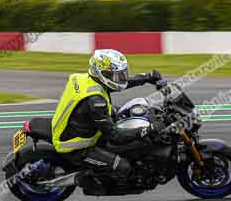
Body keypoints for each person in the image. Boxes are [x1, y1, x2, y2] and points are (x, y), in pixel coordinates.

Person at [50, 48, 162, 181]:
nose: (121, 77)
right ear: (102, 74)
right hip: (76, 146)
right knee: (124, 167)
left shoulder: (86, 79)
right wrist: (147, 129)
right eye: (117, 75)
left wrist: (147, 77)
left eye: (122, 73)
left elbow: (121, 82)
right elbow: (115, 136)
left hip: (80, 126)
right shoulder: (96, 101)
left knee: (120, 112)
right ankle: (96, 181)